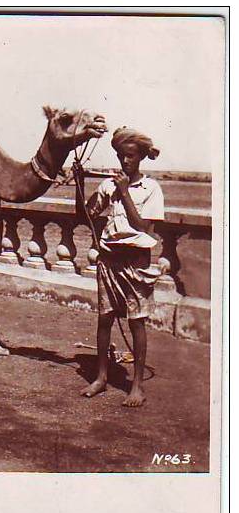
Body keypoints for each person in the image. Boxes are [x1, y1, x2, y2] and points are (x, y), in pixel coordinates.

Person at [80, 127, 164, 407]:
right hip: (109, 259)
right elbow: (87, 214)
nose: (125, 161)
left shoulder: (151, 188)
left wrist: (125, 192)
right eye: (121, 156)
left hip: (136, 262)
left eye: (130, 156)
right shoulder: (108, 186)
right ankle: (101, 378)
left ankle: (136, 385)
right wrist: (81, 186)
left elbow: (143, 227)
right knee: (104, 318)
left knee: (136, 322)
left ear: (139, 157)